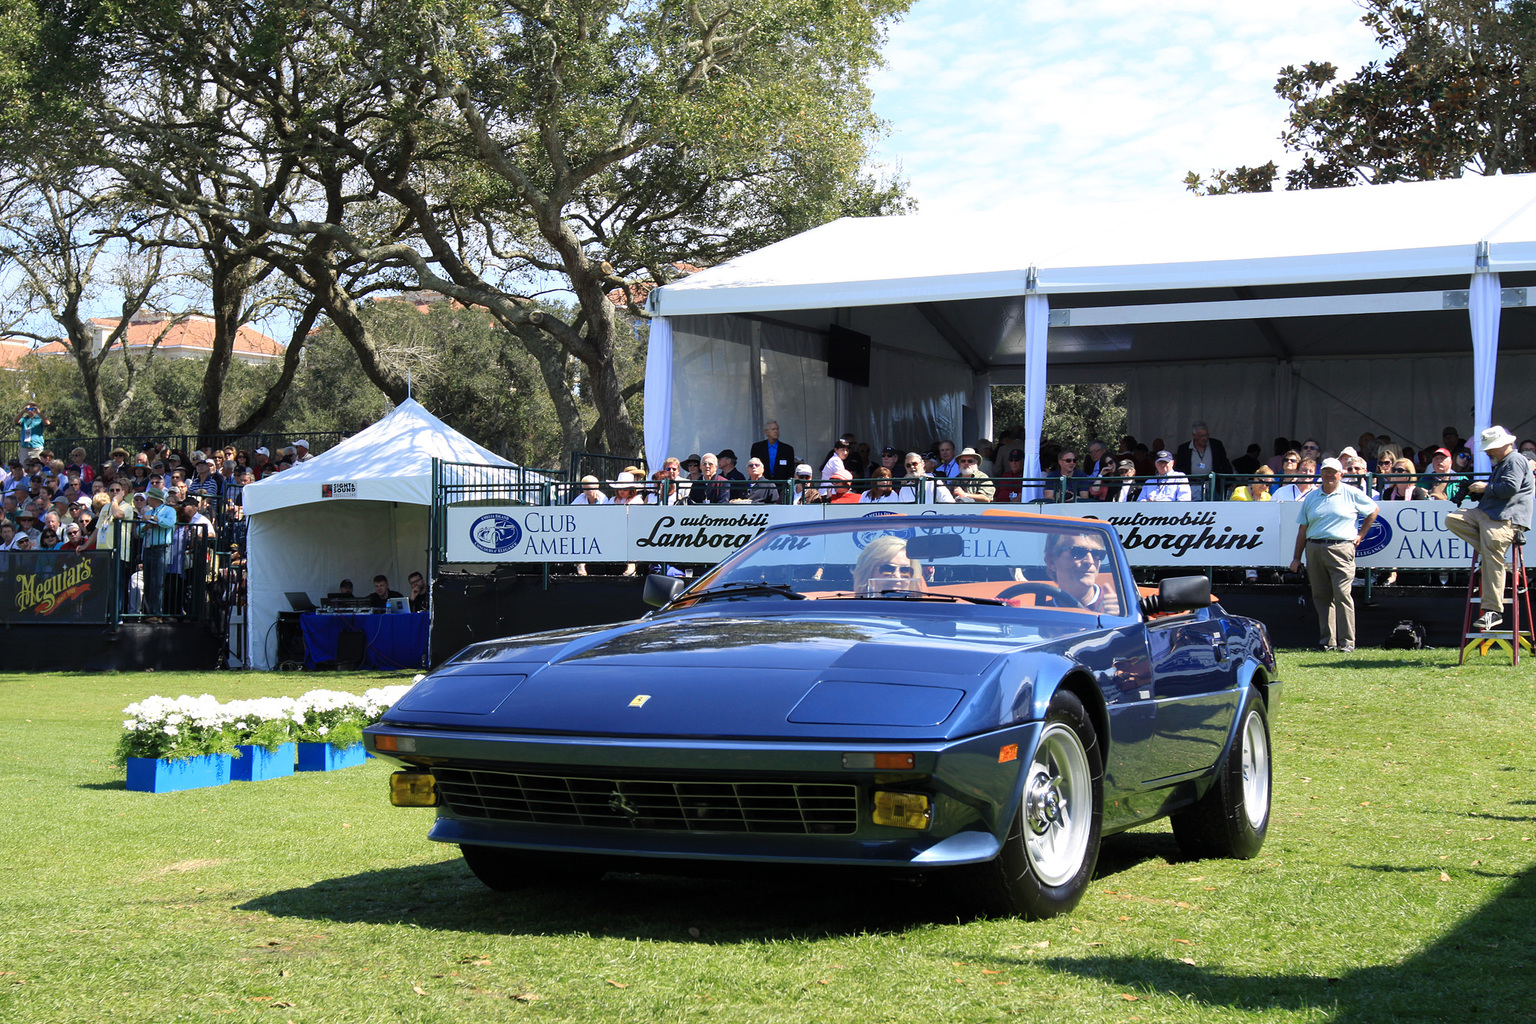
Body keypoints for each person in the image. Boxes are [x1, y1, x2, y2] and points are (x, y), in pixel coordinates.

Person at [1447, 426, 1536, 632]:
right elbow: (1503, 490)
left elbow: (1510, 489)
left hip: (1505, 518)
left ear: (1504, 445)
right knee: (1453, 519)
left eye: (1490, 448)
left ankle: (1493, 611)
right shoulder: (1505, 462)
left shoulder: (1514, 460)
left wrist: (1484, 487)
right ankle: (1494, 557)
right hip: (1490, 514)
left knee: (1491, 551)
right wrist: (1481, 491)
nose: (1487, 452)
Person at [1288, 457, 1379, 652]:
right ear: (1321, 474)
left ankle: (1347, 642)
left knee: (1342, 595)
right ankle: (1327, 642)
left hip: (1341, 548)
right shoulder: (1311, 497)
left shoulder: (1351, 493)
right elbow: (1302, 530)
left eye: (1333, 472)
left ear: (1341, 474)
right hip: (1314, 548)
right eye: (1326, 471)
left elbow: (1373, 509)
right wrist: (1296, 557)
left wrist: (1361, 534)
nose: (1329, 475)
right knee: (1321, 596)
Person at [1036, 530, 1120, 613]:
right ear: (1051, 562)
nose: (1090, 561)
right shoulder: (1039, 614)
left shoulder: (1123, 609)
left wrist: (1117, 621)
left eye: (1097, 554)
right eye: (1078, 552)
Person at [137, 486, 177, 620]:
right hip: (148, 548)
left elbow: (170, 523)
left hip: (161, 548)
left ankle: (156, 612)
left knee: (157, 581)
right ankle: (148, 613)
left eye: (149, 497)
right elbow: (138, 531)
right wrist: (147, 525)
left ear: (154, 498)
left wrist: (155, 520)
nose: (147, 499)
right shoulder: (150, 511)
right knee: (148, 580)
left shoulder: (169, 510)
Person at [852, 535, 924, 596]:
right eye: (888, 569)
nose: (897, 576)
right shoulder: (849, 610)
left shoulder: (922, 611)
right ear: (868, 571)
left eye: (905, 570)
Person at [1175, 421, 1233, 486]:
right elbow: (1179, 469)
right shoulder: (1184, 449)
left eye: (1206, 435)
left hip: (1212, 484)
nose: (1205, 438)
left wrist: (1231, 482)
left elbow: (1225, 465)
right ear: (1194, 435)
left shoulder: (1216, 445)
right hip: (1191, 484)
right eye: (1201, 436)